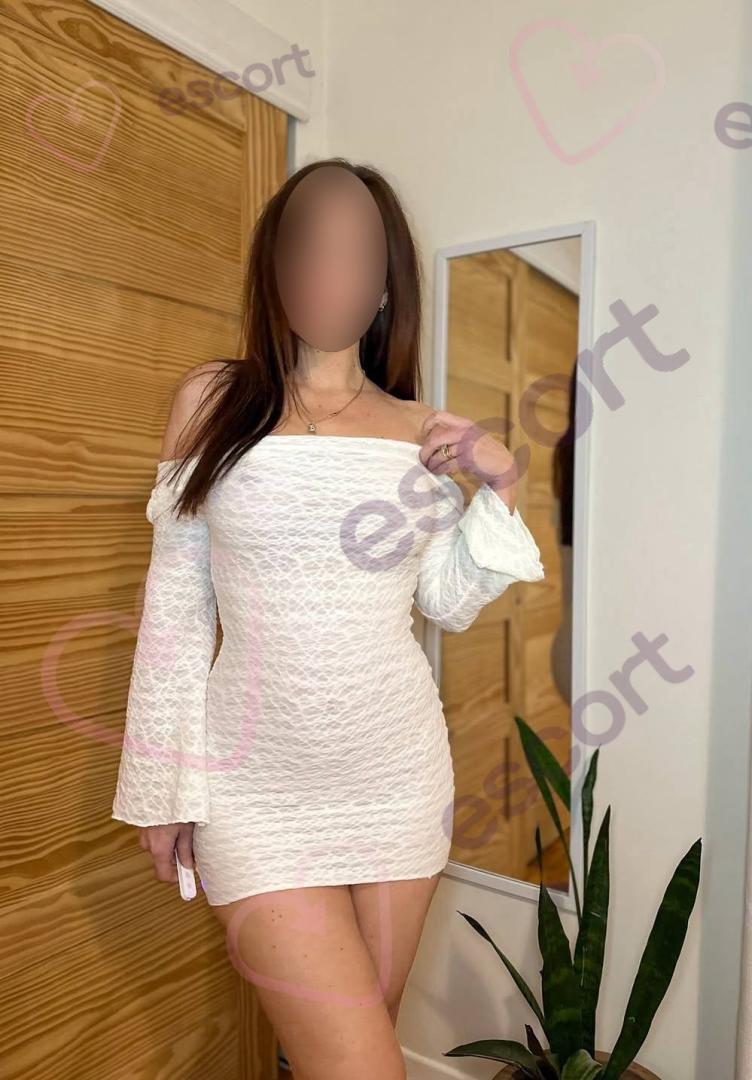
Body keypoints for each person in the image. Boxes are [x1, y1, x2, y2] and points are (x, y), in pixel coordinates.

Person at [111, 157, 545, 1080]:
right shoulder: (213, 402)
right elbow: (177, 608)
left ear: (386, 284)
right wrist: (162, 786)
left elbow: (444, 603)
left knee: (339, 1058)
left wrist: (500, 485)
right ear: (274, 268)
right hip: (253, 792)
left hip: (395, 784)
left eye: (355, 253)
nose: (329, 272)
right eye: (309, 248)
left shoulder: (423, 431)